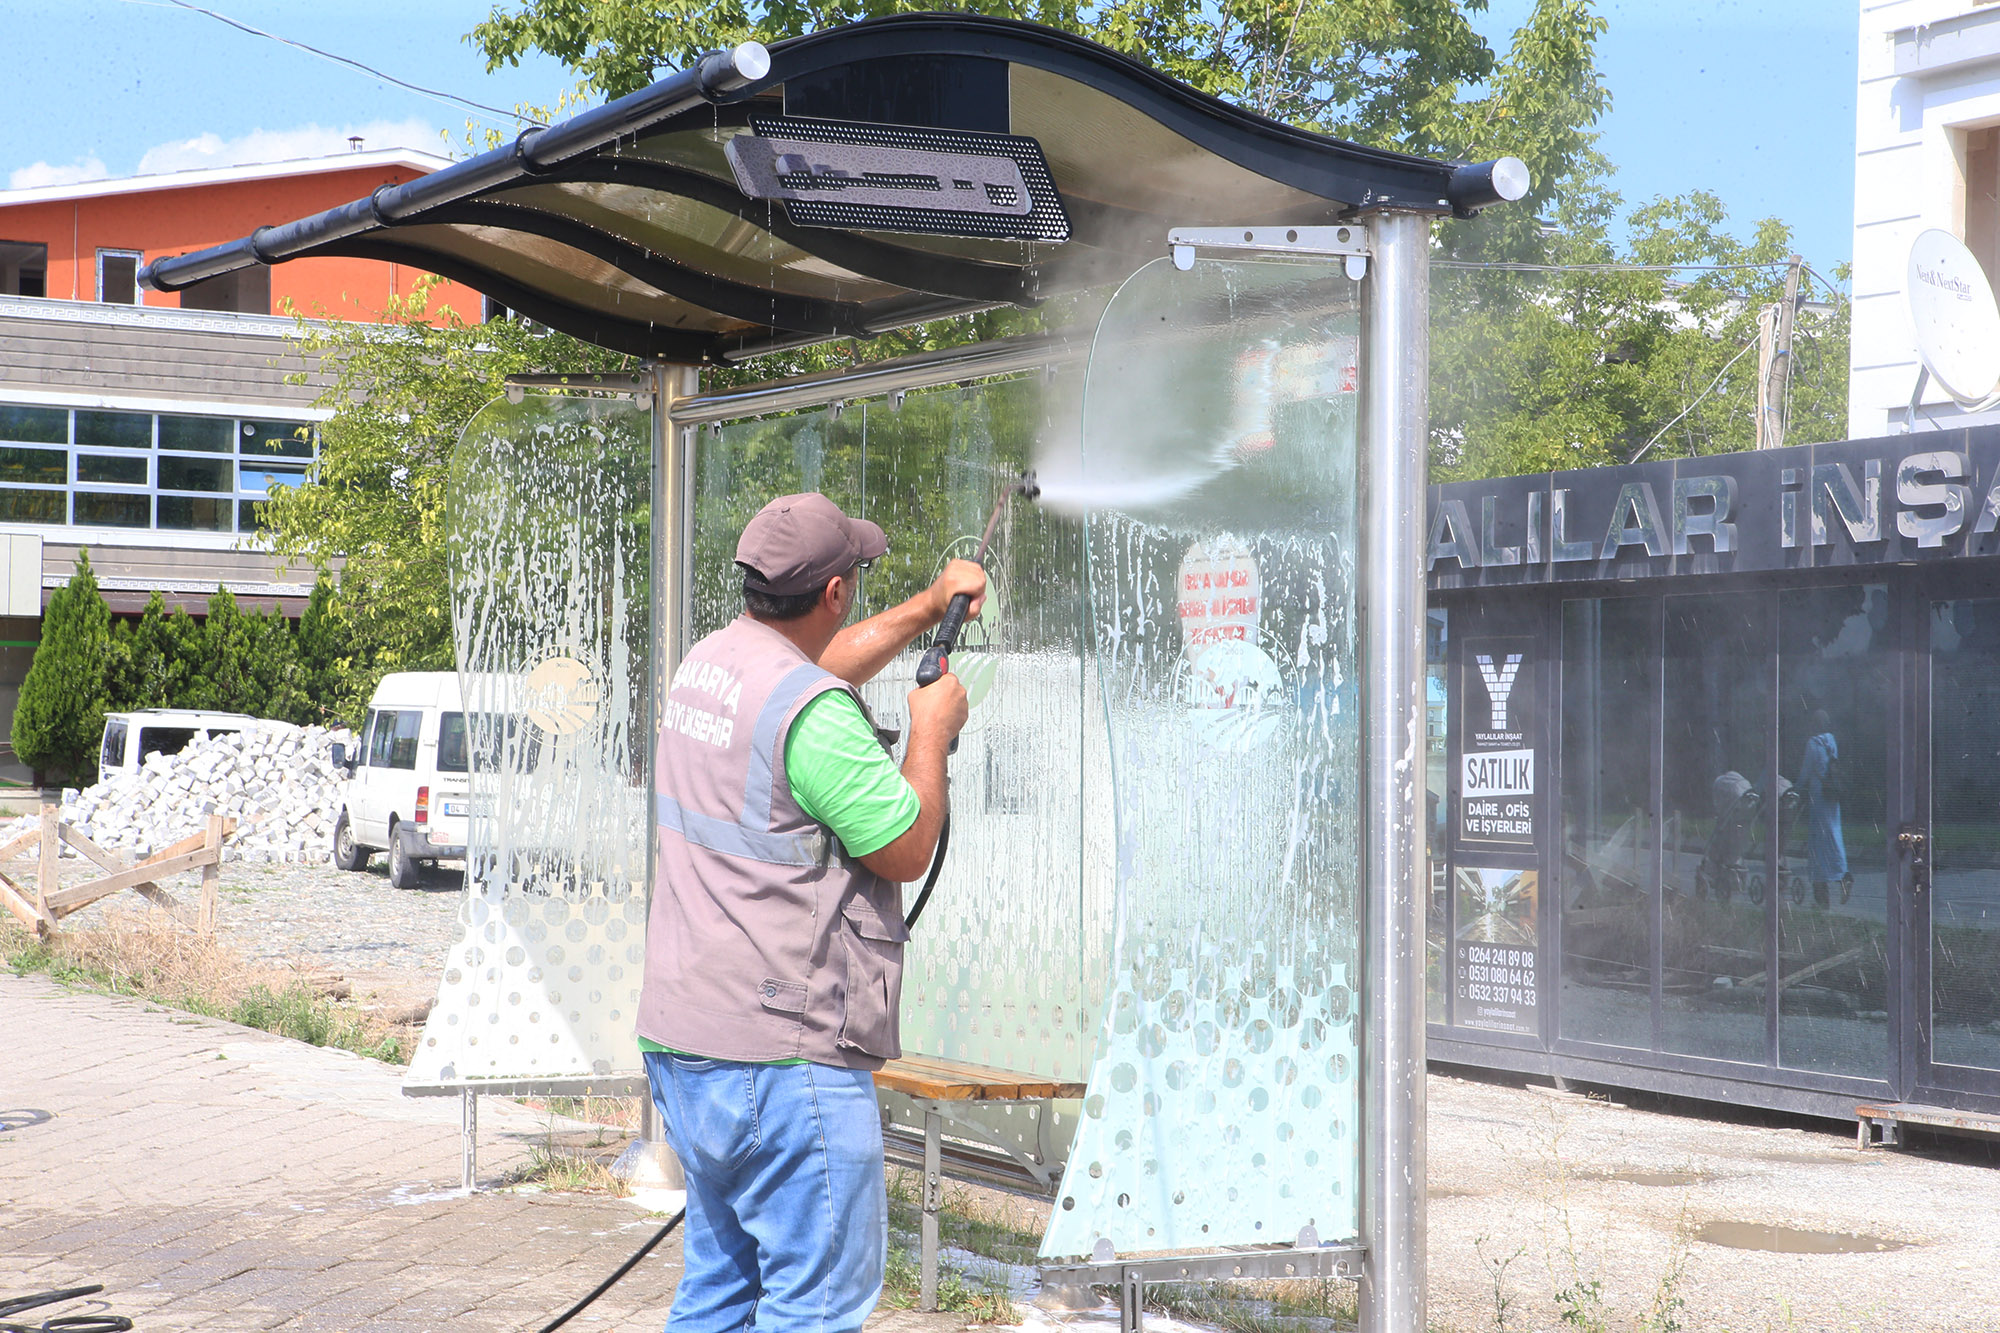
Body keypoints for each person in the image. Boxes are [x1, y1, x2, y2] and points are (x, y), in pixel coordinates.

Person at [637, 492, 984, 1333]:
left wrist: (929, 608)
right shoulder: (815, 718)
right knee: (816, 1307)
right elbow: (903, 847)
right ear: (832, 592)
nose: (858, 591)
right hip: (782, 1064)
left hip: (688, 1046)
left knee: (718, 1295)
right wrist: (928, 732)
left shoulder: (712, 664)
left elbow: (818, 675)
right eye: (857, 577)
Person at [1800, 709, 1847, 908]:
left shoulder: (1813, 743)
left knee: (1818, 840)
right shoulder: (1831, 742)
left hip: (1819, 795)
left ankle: (1821, 886)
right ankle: (1842, 873)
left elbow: (1807, 770)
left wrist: (1796, 787)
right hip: (1833, 795)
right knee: (1834, 834)